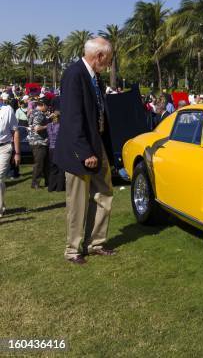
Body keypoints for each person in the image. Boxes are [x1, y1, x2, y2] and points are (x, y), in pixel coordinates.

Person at [54, 37, 116, 265]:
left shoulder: (94, 78)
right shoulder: (75, 74)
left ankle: (95, 243)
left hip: (96, 142)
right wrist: (84, 151)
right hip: (78, 147)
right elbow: (71, 118)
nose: (108, 64)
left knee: (104, 192)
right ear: (99, 56)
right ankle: (73, 250)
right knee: (78, 201)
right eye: (107, 59)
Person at [0, 93, 20, 217]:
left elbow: (15, 131)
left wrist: (17, 153)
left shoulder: (7, 110)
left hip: (4, 147)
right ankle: (1, 206)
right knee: (0, 181)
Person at [28, 98, 50, 189]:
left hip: (34, 141)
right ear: (43, 105)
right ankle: (35, 183)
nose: (48, 108)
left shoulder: (33, 112)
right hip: (39, 141)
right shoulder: (39, 114)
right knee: (39, 164)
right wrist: (48, 125)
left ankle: (47, 181)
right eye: (47, 106)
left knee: (43, 163)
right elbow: (37, 128)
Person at [46, 110, 65, 192]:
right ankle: (59, 187)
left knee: (53, 168)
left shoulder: (49, 125)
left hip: (51, 148)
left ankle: (51, 187)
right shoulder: (61, 126)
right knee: (61, 168)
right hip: (59, 147)